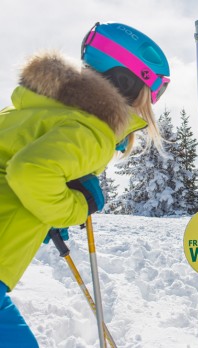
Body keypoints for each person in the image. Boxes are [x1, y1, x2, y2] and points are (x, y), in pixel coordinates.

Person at [0, 22, 170, 346]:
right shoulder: (93, 131)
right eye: (157, 90)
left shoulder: (38, 107)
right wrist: (76, 207)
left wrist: (46, 209)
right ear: (127, 82)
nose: (155, 102)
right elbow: (28, 172)